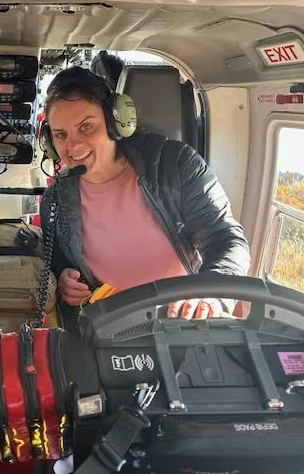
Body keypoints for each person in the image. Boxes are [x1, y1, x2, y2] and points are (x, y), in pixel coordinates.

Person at [39, 66, 251, 330]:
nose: (73, 146)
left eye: (86, 127)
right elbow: (58, 257)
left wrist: (210, 293)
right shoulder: (55, 199)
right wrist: (63, 278)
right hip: (111, 327)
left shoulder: (177, 165)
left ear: (116, 123)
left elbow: (225, 240)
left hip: (184, 320)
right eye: (61, 135)